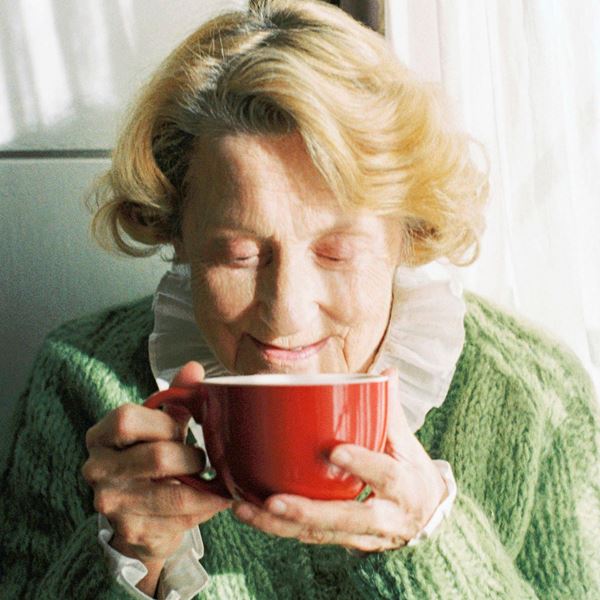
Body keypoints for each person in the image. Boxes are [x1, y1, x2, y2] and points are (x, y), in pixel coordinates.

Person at [1, 0, 599, 598]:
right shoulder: (80, 379)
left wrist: (435, 543)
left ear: (409, 234)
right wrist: (127, 561)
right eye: (238, 255)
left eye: (337, 253)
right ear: (178, 234)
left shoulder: (534, 393)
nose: (285, 314)